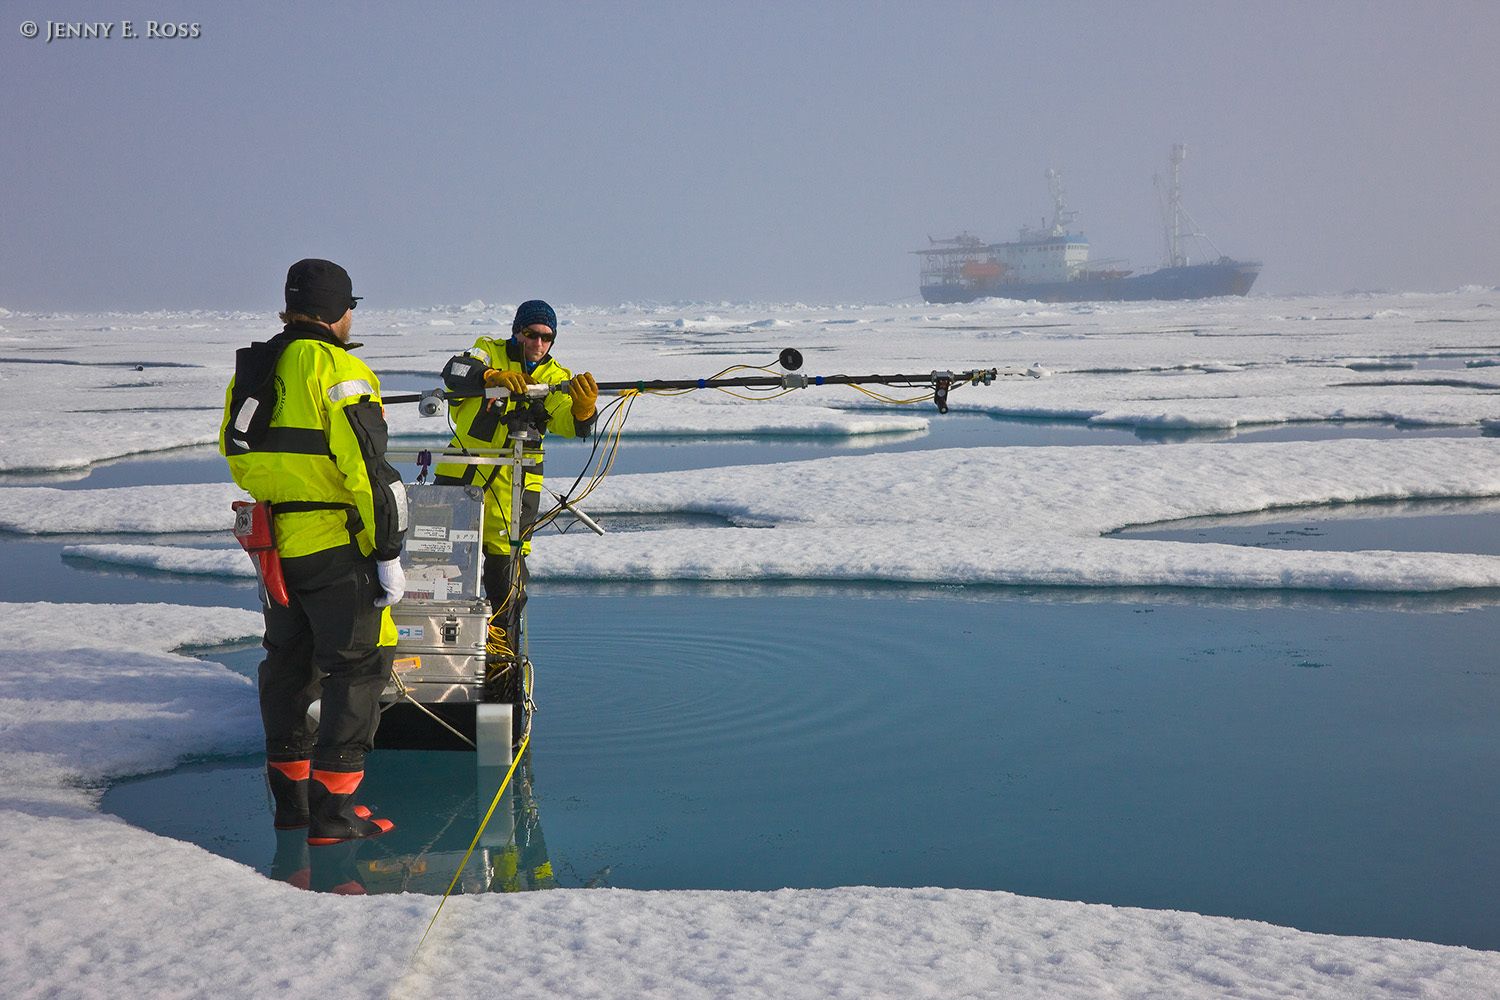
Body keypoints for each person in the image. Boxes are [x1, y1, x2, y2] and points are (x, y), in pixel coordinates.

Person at [220, 258, 408, 845]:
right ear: (336, 310)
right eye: (351, 306)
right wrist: (387, 551)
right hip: (336, 546)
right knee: (359, 667)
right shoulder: (340, 369)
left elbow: (238, 453)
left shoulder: (254, 367)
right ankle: (334, 815)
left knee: (289, 669)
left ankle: (293, 807)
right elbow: (370, 472)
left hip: (278, 548)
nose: (353, 318)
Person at [434, 300, 597, 656]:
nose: (538, 344)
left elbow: (568, 421)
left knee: (507, 585)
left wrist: (584, 413)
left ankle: (500, 660)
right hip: (460, 479)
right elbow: (455, 370)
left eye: (546, 338)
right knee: (439, 573)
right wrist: (488, 377)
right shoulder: (487, 351)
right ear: (516, 332)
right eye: (531, 335)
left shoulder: (555, 378)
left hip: (515, 493)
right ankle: (439, 654)